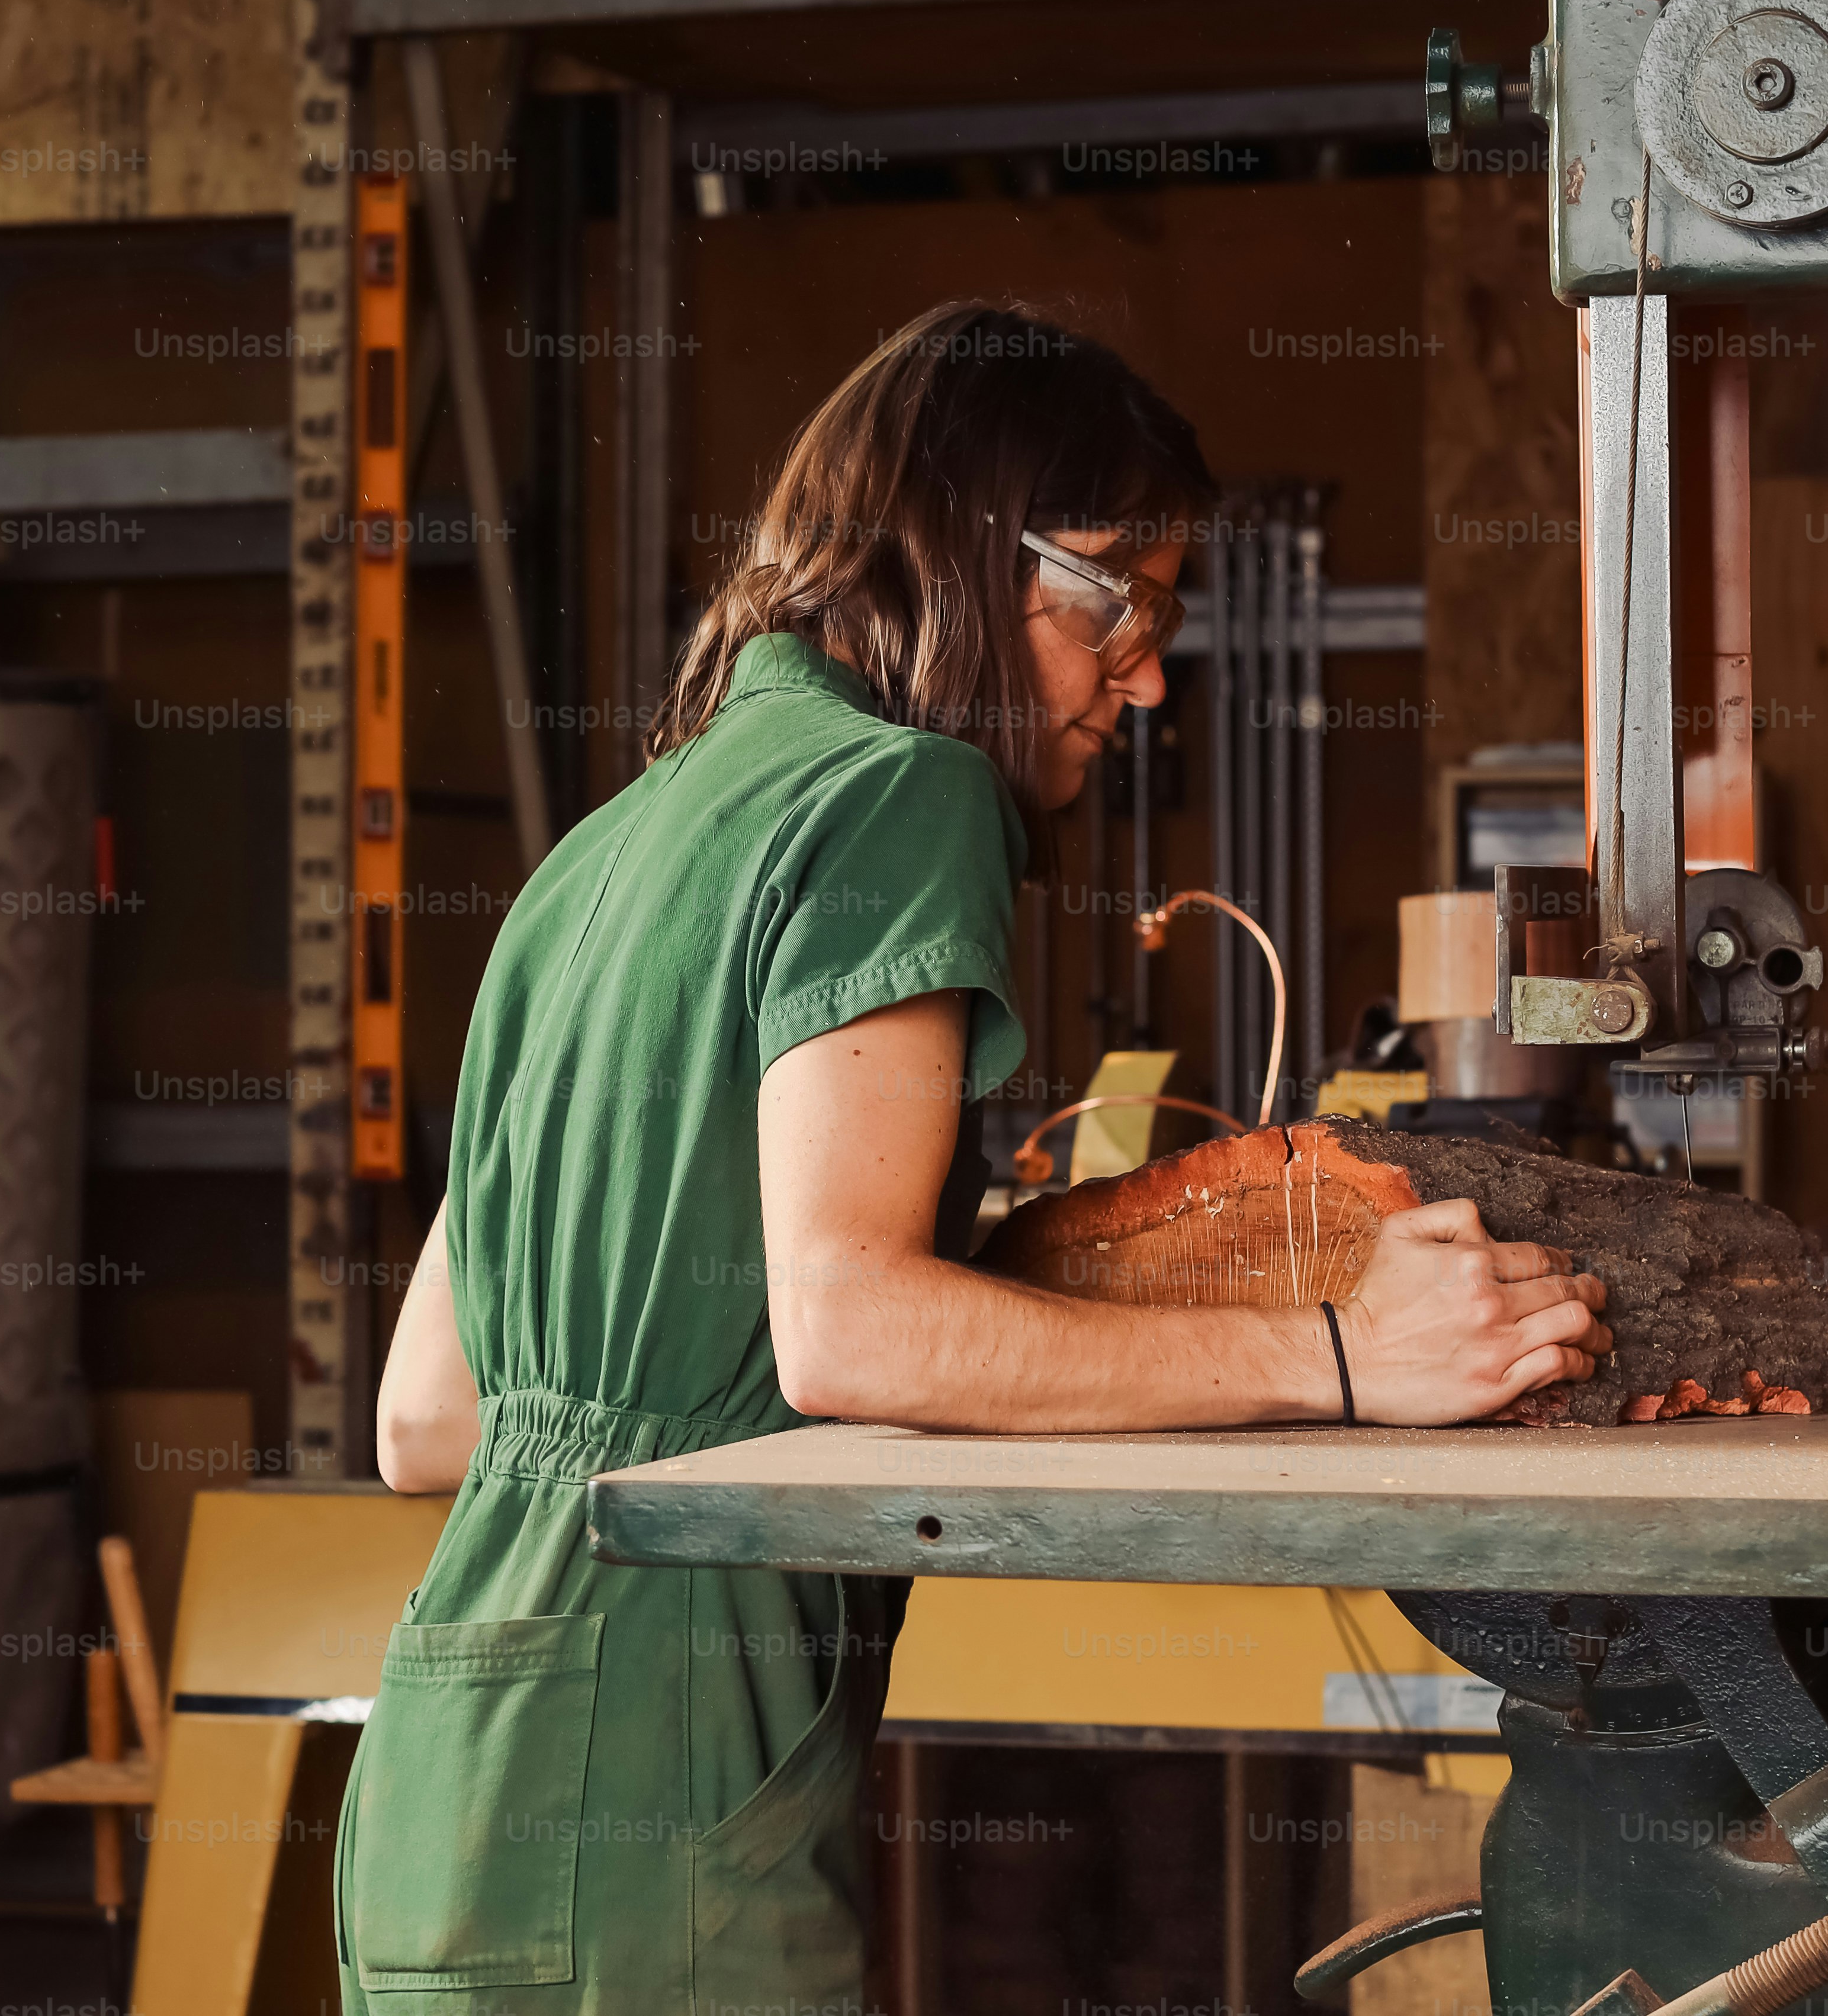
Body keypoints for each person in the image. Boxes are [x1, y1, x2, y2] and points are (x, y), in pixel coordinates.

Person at [333, 301, 1612, 2011]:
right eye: (1118, 598)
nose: (1147, 672)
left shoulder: (610, 845)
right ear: (954, 547)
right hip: (656, 1800)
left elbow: (428, 1421)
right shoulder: (897, 791)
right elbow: (847, 1324)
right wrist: (1336, 1354)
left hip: (444, 1789)